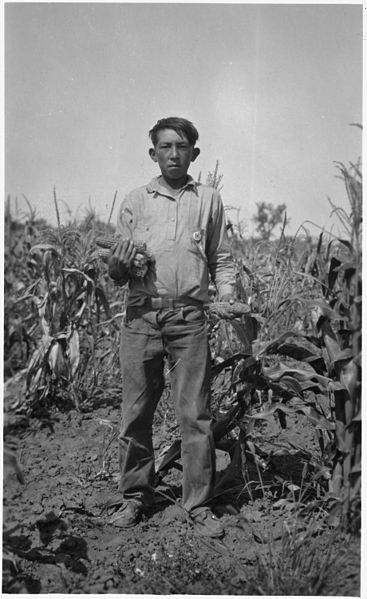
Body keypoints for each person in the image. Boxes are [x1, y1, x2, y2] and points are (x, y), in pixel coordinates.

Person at [107, 117, 236, 538]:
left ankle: (198, 505)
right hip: (141, 318)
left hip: (189, 319)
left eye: (181, 147)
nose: (174, 154)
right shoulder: (134, 202)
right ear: (153, 153)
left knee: (195, 414)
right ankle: (135, 498)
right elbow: (115, 274)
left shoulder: (209, 200)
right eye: (165, 147)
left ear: (194, 153)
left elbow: (222, 258)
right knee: (135, 412)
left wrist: (228, 298)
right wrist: (121, 261)